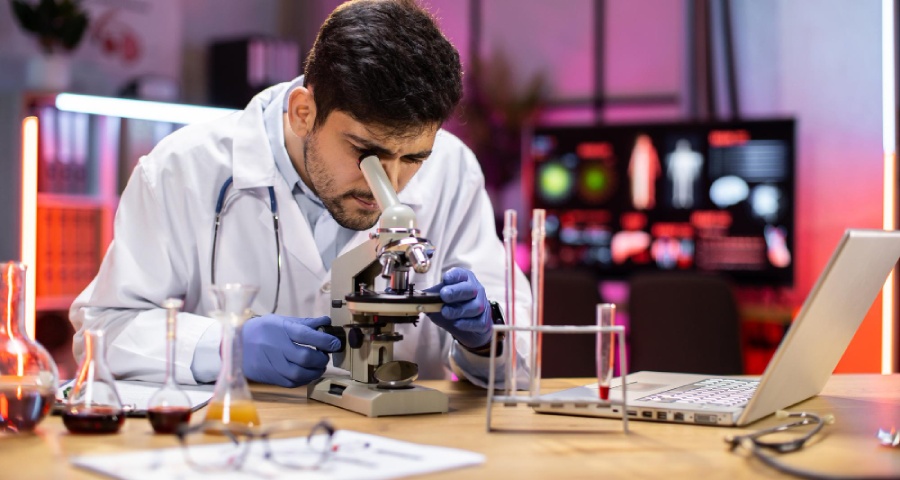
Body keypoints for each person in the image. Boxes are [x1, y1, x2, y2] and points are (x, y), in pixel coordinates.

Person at [70, 0, 533, 389]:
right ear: (302, 112)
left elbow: (520, 353)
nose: (390, 184)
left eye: (413, 158)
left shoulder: (452, 168)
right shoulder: (180, 170)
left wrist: (485, 338)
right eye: (366, 153)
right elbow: (103, 331)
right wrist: (224, 347)